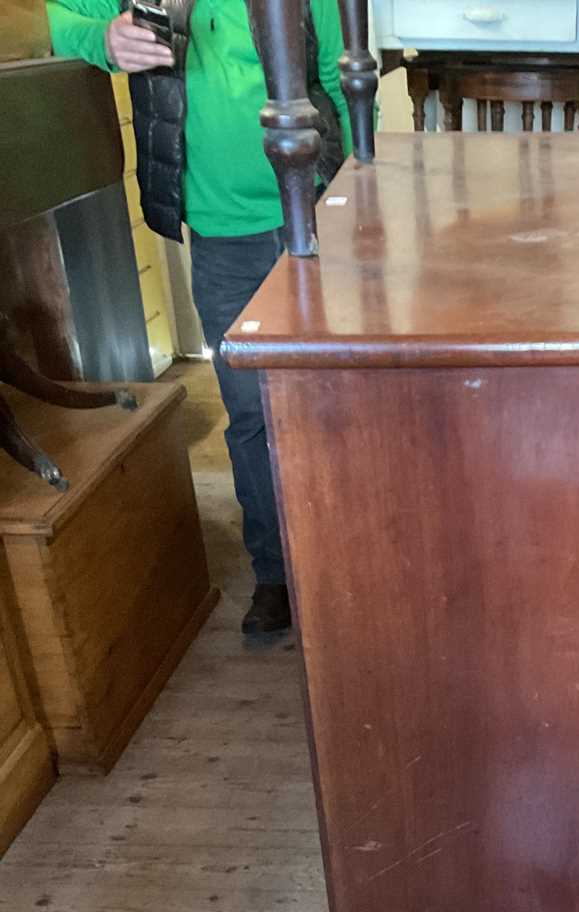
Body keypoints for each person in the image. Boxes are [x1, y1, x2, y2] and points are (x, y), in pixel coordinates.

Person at [47, 0, 356, 635]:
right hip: (223, 240)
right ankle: (276, 573)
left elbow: (346, 82)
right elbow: (40, 18)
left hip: (318, 221)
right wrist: (102, 38)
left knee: (341, 406)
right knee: (250, 417)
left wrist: (360, 209)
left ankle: (347, 564)